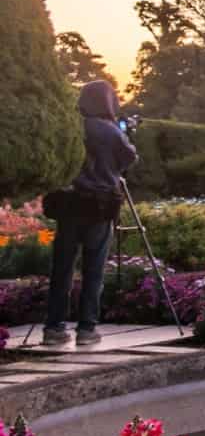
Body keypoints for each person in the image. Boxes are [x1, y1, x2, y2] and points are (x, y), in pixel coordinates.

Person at [42, 80, 138, 348]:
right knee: (93, 269)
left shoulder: (71, 127)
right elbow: (130, 159)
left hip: (68, 204)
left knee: (61, 268)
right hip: (99, 205)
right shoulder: (111, 131)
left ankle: (54, 328)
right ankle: (87, 329)